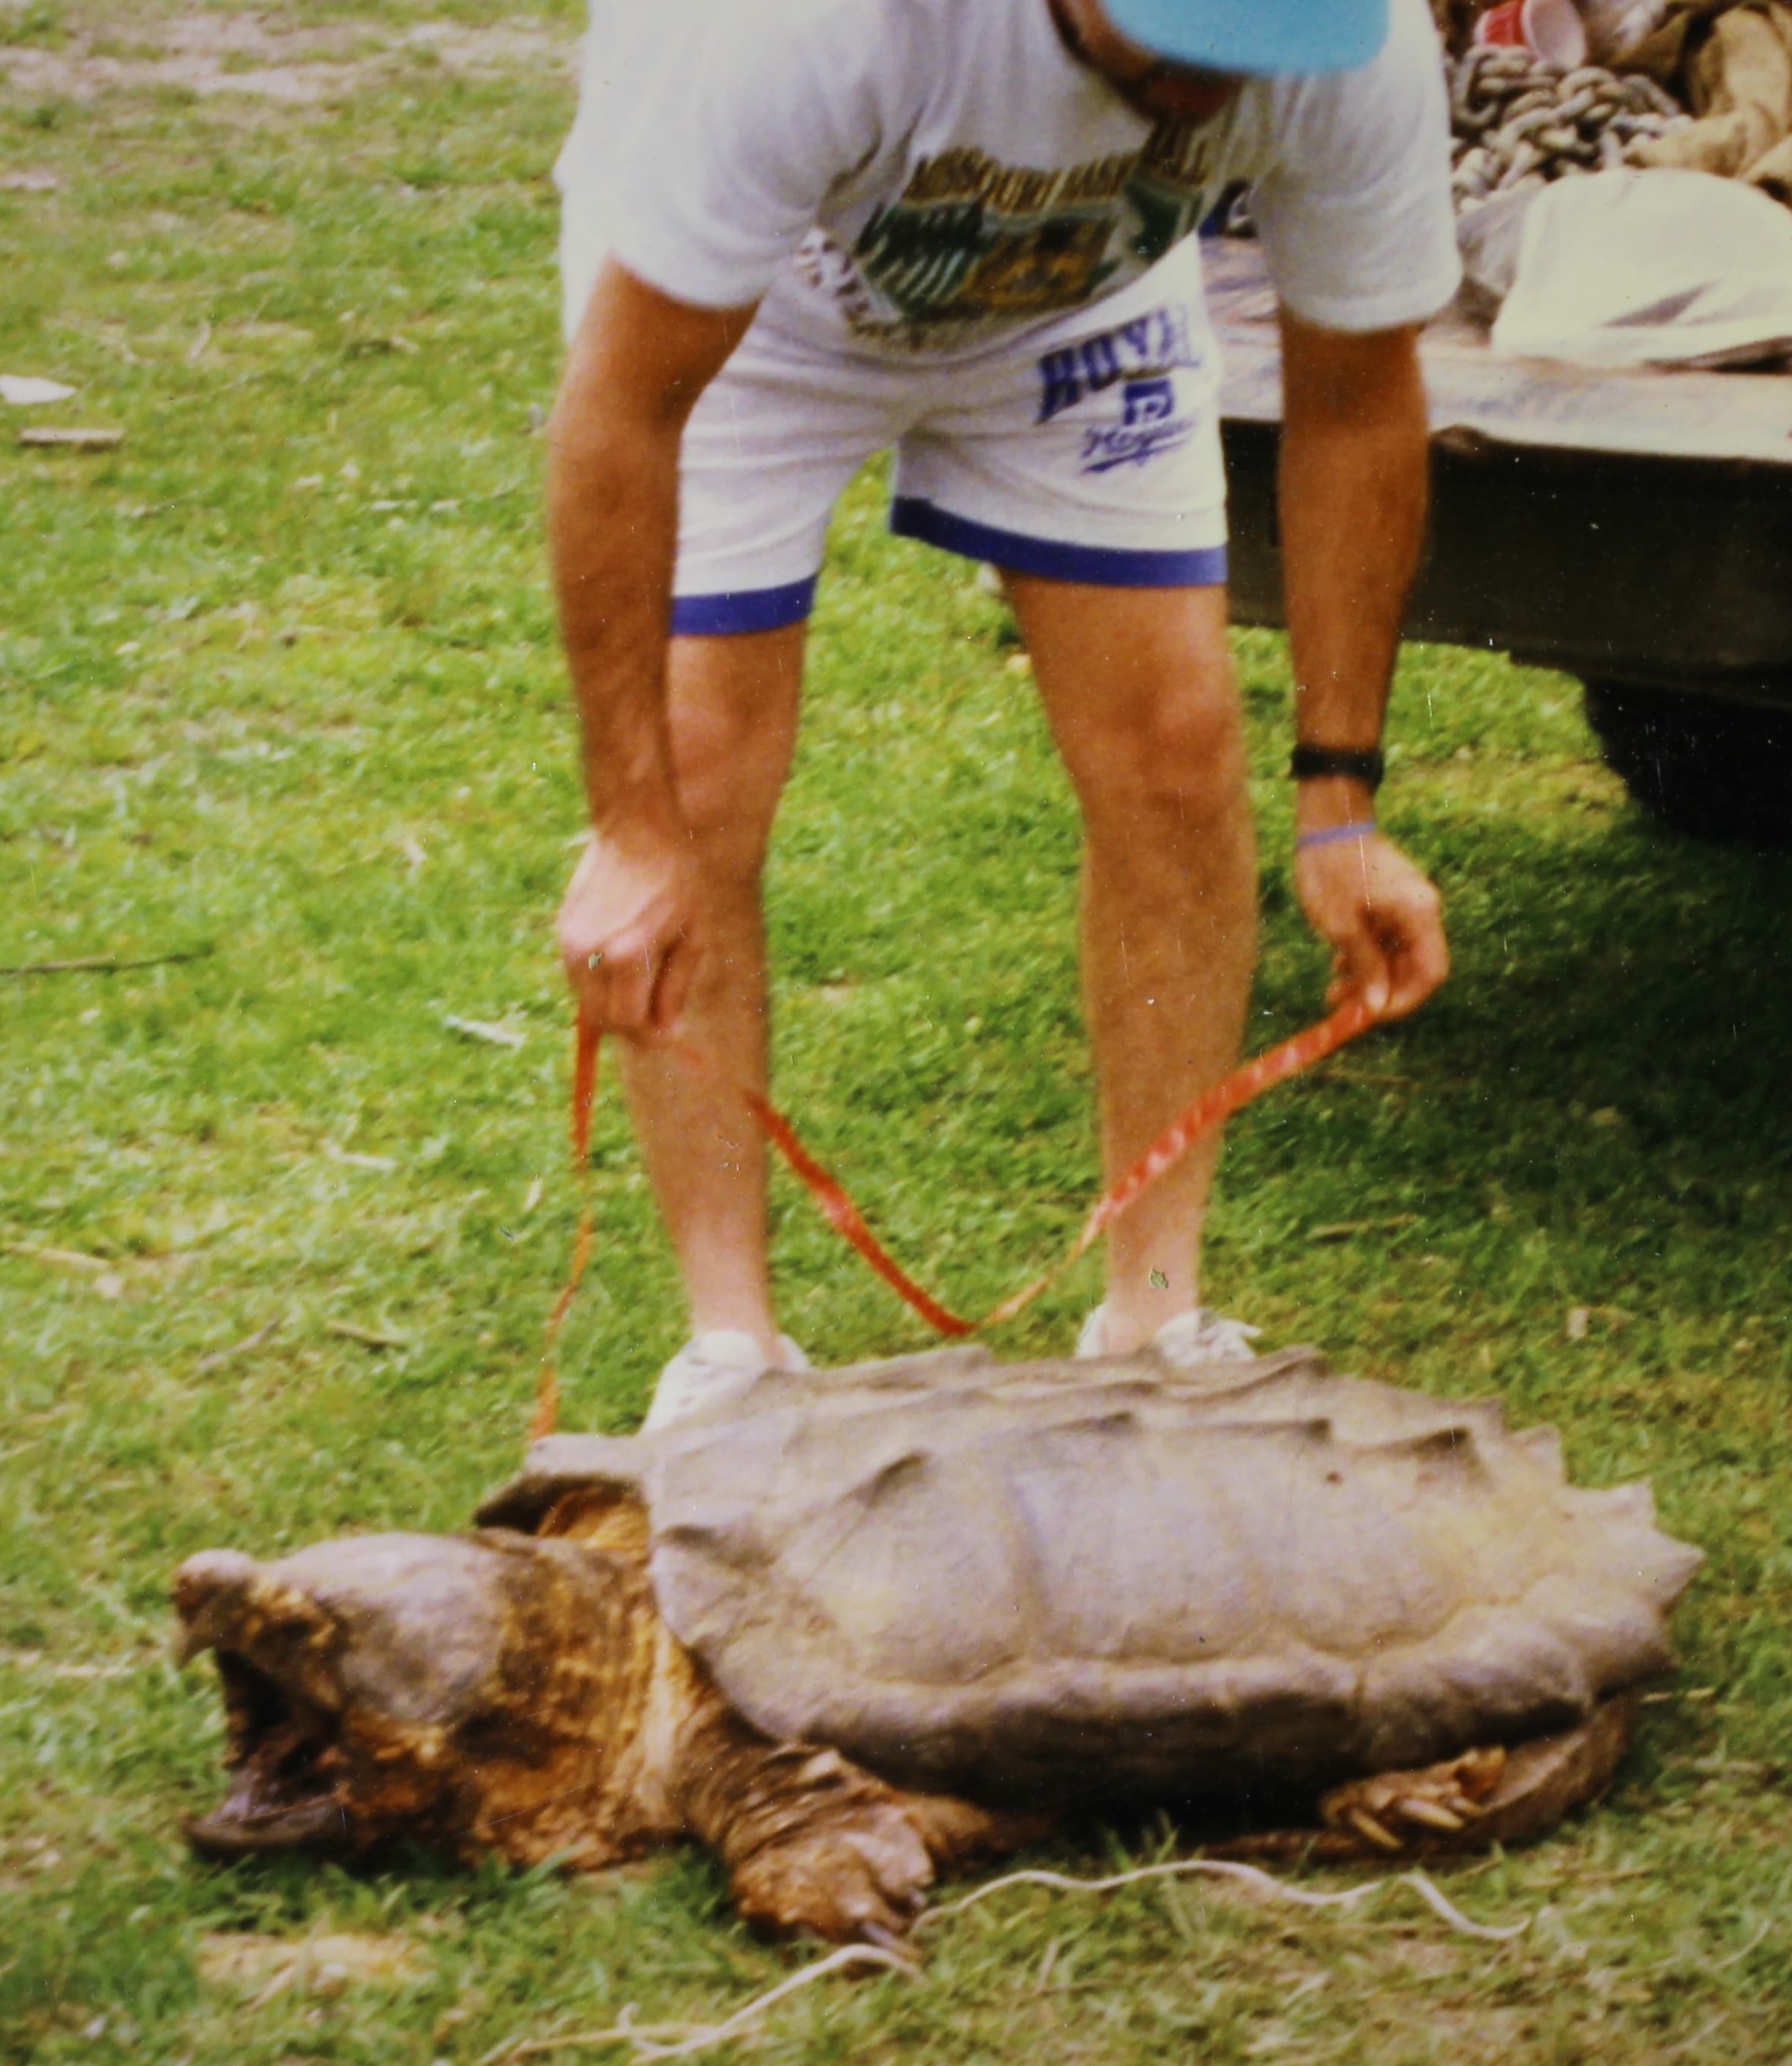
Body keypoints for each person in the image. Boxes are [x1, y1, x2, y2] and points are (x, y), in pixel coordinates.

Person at [547, 0, 1463, 1430]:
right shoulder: (804, 36)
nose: (1207, 93)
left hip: (1085, 298)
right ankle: (732, 1351)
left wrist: (1341, 804)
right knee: (703, 772)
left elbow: (1357, 395)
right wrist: (630, 824)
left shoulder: (1355, 43)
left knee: (1174, 755)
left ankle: (1155, 1317)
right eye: (1180, 40)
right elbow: (620, 414)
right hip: (759, 304)